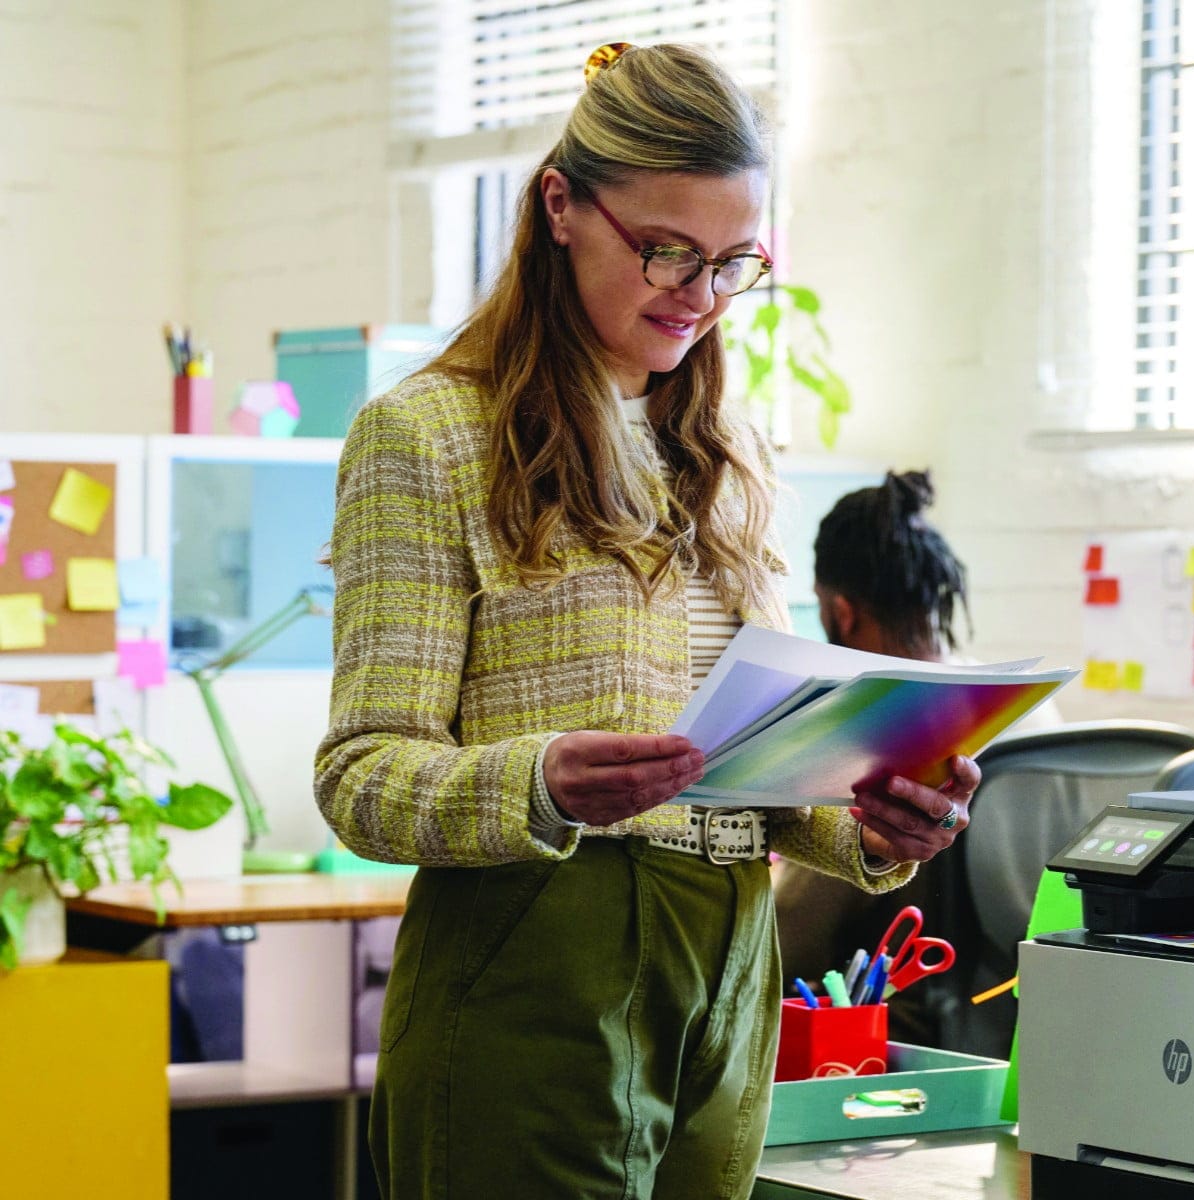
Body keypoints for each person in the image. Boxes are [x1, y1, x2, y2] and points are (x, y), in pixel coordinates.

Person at [313, 44, 979, 1200]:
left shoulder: (728, 453)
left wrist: (871, 822)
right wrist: (540, 783)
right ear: (562, 205)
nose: (698, 295)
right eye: (667, 251)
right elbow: (361, 778)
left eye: (732, 263)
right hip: (533, 955)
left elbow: (751, 770)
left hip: (729, 952)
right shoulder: (427, 438)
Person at [775, 470, 1060, 1052]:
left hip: (909, 1035)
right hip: (1036, 1013)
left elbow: (790, 941)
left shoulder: (869, 734)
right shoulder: (1026, 712)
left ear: (841, 612)